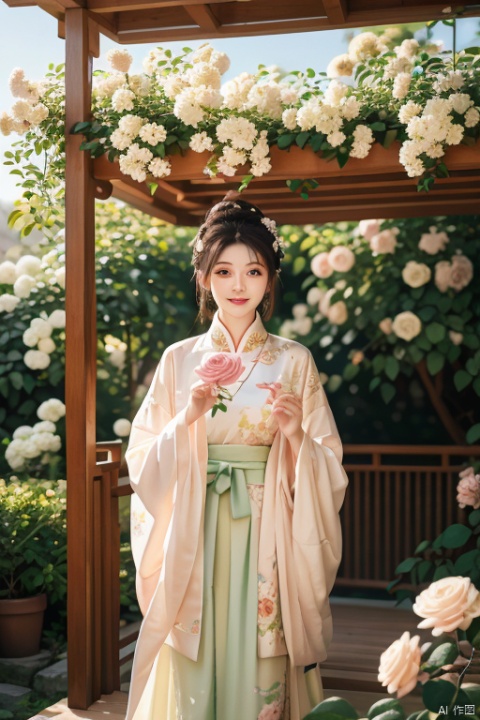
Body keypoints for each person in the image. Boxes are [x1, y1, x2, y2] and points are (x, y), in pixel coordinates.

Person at [125, 196, 349, 720]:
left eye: (253, 270)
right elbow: (142, 455)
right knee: (196, 634)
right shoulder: (179, 359)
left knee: (261, 638)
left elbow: (330, 464)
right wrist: (188, 419)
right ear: (204, 278)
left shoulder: (294, 360)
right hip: (196, 524)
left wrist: (295, 436)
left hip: (267, 523)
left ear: (270, 280)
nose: (238, 284)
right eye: (224, 270)